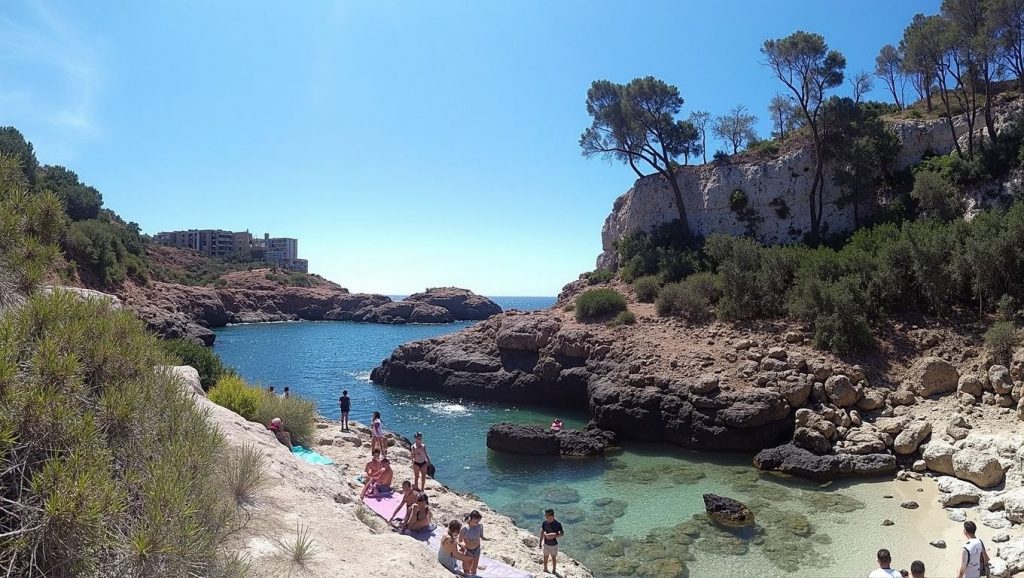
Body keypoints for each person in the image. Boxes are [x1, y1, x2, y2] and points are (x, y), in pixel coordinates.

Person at [539, 508, 564, 575]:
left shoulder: (557, 524)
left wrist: (554, 535)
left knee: (553, 558)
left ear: (552, 516)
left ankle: (554, 570)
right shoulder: (544, 523)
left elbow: (562, 533)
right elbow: (542, 532)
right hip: (546, 544)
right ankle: (545, 569)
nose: (545, 518)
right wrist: (540, 543)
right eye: (545, 516)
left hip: (554, 545)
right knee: (545, 557)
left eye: (547, 516)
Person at [459, 510, 484, 575]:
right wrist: (462, 545)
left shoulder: (479, 526)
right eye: (474, 521)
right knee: (467, 568)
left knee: (474, 567)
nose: (476, 523)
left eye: (477, 521)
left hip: (477, 549)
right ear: (470, 519)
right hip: (468, 550)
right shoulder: (464, 528)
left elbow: (481, 536)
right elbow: (460, 540)